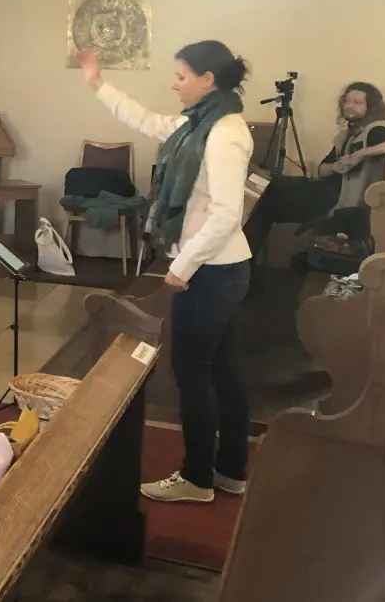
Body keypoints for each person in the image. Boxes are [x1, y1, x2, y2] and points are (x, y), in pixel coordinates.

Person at [78, 42, 253, 504]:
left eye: (181, 76)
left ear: (208, 79)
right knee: (221, 370)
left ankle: (197, 478)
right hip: (216, 266)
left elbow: (226, 214)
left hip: (212, 270)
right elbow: (145, 120)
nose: (174, 84)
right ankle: (230, 470)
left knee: (193, 373)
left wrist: (182, 264)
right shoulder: (196, 124)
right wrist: (97, 82)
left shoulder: (224, 133)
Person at [242, 82, 385, 256]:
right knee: (268, 188)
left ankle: (242, 263)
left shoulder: (375, 131)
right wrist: (335, 167)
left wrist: (361, 154)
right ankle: (245, 262)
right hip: (325, 188)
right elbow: (321, 170)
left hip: (339, 200)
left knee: (266, 197)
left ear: (371, 107)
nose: (349, 106)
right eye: (347, 101)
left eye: (357, 102)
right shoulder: (347, 135)